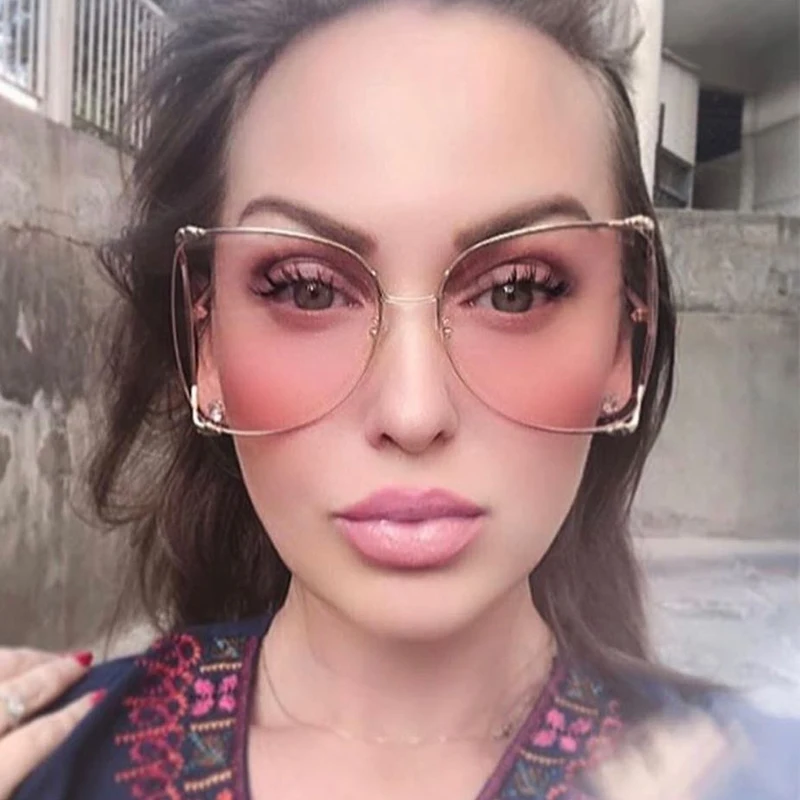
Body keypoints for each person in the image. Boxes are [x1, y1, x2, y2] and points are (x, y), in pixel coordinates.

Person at [1, 0, 797, 798]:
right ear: (206, 345)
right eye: (308, 289)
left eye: (516, 291)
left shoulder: (756, 776)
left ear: (625, 338)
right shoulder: (52, 769)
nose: (413, 413)